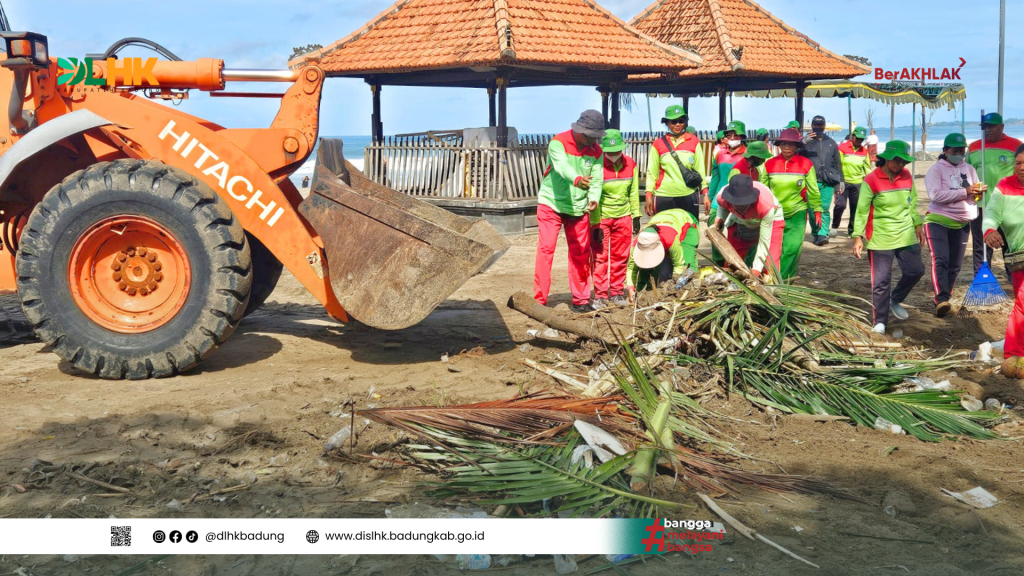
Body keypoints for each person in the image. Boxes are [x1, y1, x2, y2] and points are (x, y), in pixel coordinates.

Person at [851, 141, 925, 334]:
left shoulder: (907, 176)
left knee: (915, 271)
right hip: (880, 237)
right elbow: (862, 211)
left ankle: (895, 298)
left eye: (904, 162)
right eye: (897, 160)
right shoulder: (871, 180)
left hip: (906, 233)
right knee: (881, 282)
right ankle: (880, 322)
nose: (900, 165)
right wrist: (858, 236)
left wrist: (918, 224)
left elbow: (912, 203)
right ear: (886, 158)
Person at [535, 110, 605, 313]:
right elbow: (562, 167)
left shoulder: (597, 152)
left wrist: (594, 198)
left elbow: (597, 180)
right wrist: (577, 179)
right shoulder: (558, 143)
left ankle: (581, 300)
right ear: (581, 131)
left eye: (597, 137)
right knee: (546, 249)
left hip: (578, 208)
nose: (594, 141)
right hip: (551, 204)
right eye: (591, 136)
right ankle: (539, 300)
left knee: (580, 253)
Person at [924, 133, 984, 317]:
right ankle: (941, 299)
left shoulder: (969, 169)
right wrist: (965, 191)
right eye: (955, 150)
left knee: (955, 265)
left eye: (962, 150)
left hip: (962, 223)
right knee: (941, 259)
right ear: (945, 151)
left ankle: (946, 298)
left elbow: (973, 197)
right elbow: (936, 195)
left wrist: (977, 193)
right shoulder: (936, 170)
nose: (959, 154)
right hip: (938, 221)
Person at [646, 105, 707, 279]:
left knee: (690, 234)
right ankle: (665, 275)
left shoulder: (693, 141)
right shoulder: (658, 144)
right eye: (673, 122)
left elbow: (700, 169)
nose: (678, 124)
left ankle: (689, 272)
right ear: (667, 123)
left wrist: (705, 193)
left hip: (689, 195)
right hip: (664, 196)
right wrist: (649, 194)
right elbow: (652, 172)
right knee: (664, 234)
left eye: (681, 121)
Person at [982, 144, 1024, 369]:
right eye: (1018, 163)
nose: (1022, 167)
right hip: (1018, 258)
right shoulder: (1005, 186)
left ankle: (1014, 351)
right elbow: (991, 212)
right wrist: (989, 230)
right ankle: (1015, 353)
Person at [761, 128, 821, 280]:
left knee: (792, 250)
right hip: (774, 213)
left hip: (797, 213)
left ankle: (784, 281)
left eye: (791, 144)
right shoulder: (769, 164)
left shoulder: (806, 164)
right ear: (779, 145)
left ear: (797, 146)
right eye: (783, 144)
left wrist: (817, 211)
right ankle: (773, 278)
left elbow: (813, 190)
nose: (787, 147)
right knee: (773, 250)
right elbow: (763, 191)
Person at [590, 129, 640, 309]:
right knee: (600, 258)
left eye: (616, 151)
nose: (613, 155)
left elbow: (633, 192)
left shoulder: (631, 164)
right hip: (602, 218)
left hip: (623, 218)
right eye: (609, 152)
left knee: (621, 257)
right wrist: (595, 224)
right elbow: (594, 195)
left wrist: (636, 215)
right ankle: (601, 295)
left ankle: (617, 292)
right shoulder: (597, 166)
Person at [968, 112, 1022, 276]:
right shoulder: (974, 147)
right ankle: (982, 278)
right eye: (985, 127)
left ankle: (1014, 277)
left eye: (992, 126)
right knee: (981, 246)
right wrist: (971, 188)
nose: (988, 130)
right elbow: (967, 173)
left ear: (1001, 127)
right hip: (981, 205)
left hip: (1007, 204)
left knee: (1010, 245)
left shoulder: (1015, 145)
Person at [713, 174, 785, 281]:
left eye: (744, 203)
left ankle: (770, 286)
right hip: (739, 220)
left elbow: (764, 241)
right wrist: (720, 218)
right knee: (732, 261)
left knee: (771, 263)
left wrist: (756, 270)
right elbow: (723, 207)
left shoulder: (765, 205)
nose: (740, 206)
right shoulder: (722, 197)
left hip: (771, 220)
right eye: (737, 203)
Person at [626, 209, 698, 301]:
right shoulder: (638, 243)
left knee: (688, 267)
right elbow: (631, 268)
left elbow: (679, 265)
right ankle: (645, 294)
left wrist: (674, 288)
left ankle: (689, 296)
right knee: (646, 267)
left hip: (687, 223)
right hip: (661, 218)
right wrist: (631, 289)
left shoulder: (670, 239)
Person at [707, 120, 747, 264]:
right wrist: (709, 197)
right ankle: (718, 265)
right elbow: (715, 177)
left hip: (740, 202)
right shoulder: (719, 154)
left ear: (742, 137)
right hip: (718, 201)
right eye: (729, 135)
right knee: (715, 232)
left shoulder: (748, 155)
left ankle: (736, 266)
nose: (732, 138)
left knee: (737, 235)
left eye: (736, 135)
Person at [802, 115, 844, 246]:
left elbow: (837, 164)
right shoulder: (806, 142)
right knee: (812, 209)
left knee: (825, 208)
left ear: (824, 126)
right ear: (812, 126)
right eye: (815, 125)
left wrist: (840, 182)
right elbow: (797, 156)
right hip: (811, 181)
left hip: (828, 181)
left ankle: (823, 233)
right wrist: (803, 143)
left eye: (820, 125)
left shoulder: (831, 143)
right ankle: (816, 232)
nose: (818, 127)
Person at [834, 126, 872, 236]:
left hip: (858, 183)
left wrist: (871, 181)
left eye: (861, 139)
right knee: (840, 205)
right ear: (852, 136)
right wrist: (838, 181)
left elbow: (867, 168)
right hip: (843, 182)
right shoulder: (842, 147)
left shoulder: (864, 151)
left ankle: (852, 230)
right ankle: (834, 226)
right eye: (857, 138)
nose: (859, 141)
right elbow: (837, 164)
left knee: (855, 207)